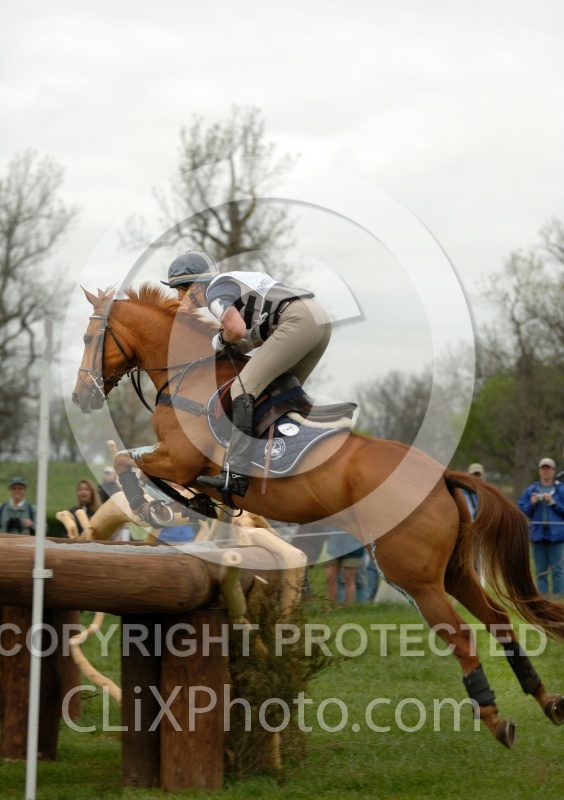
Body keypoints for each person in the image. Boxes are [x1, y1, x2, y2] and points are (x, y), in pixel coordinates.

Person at [162, 250, 332, 497]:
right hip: (317, 319)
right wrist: (238, 344)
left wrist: (222, 339)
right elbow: (261, 335)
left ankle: (237, 473)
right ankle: (290, 453)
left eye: (180, 289)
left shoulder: (214, 291)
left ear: (196, 286)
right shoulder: (234, 283)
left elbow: (236, 329)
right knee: (280, 392)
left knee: (242, 389)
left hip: (297, 320)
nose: (178, 297)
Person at [517, 457, 564, 597]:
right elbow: (520, 512)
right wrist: (531, 503)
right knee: (540, 569)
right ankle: (543, 597)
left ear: (553, 471)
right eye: (543, 468)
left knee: (557, 569)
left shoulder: (560, 490)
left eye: (548, 469)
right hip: (537, 536)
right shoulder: (531, 491)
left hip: (557, 537)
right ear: (539, 471)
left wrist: (553, 502)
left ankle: (559, 596)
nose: (545, 472)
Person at [324, 527, 365, 605]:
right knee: (330, 577)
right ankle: (331, 605)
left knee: (349, 579)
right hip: (333, 547)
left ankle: (348, 606)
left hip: (353, 548)